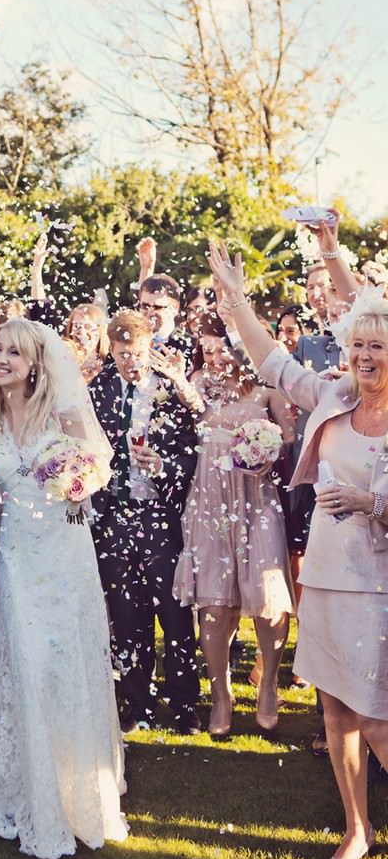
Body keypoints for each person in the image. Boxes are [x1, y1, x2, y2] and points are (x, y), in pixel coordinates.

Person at [208, 229, 388, 859]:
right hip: (331, 579)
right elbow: (272, 361)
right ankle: (357, 831)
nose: (364, 356)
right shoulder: (334, 396)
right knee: (336, 709)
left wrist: (373, 506)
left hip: (382, 584)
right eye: (357, 345)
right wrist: (237, 302)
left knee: (376, 716)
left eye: (377, 346)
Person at [0, 318, 128, 859]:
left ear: (34, 364)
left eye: (12, 353)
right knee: (25, 660)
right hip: (20, 555)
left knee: (65, 660)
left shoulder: (61, 411)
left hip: (66, 552)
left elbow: (99, 464)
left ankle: (75, 783)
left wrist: (78, 481)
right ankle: (26, 784)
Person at [172, 312, 294, 738]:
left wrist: (265, 450)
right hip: (209, 500)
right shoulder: (195, 383)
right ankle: (221, 692)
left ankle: (269, 681)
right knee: (215, 602)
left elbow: (290, 438)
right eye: (205, 348)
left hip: (257, 499)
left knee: (268, 594)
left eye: (218, 346)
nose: (212, 356)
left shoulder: (265, 385)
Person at [89, 310, 201, 734]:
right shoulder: (97, 390)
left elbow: (192, 453)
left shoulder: (170, 390)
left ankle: (184, 702)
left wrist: (163, 465)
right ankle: (137, 704)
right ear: (111, 351)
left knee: (173, 611)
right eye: (121, 355)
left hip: (158, 514)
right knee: (126, 611)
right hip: (113, 516)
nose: (129, 363)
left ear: (149, 347)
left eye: (135, 354)